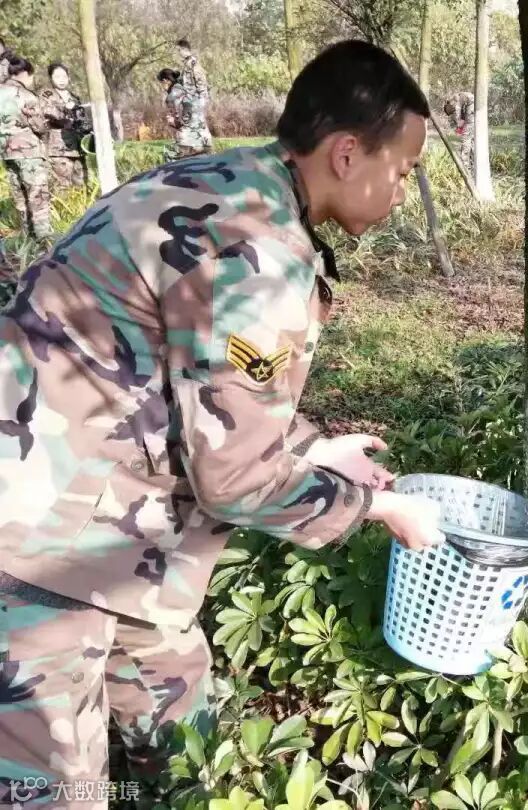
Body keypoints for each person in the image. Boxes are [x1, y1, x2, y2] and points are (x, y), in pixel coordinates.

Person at [0, 40, 445, 808]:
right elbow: (234, 480)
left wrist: (315, 446)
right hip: (37, 540)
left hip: (110, 516)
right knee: (56, 789)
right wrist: (377, 508)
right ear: (347, 154)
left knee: (180, 723)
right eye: (403, 171)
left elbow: (201, 384)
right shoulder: (258, 255)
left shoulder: (222, 183)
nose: (402, 193)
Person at [0, 56, 52, 241]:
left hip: (7, 153)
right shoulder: (26, 95)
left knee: (20, 197)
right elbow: (39, 126)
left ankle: (27, 240)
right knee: (37, 197)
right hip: (29, 153)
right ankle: (45, 240)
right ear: (25, 73)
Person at [39, 62, 90, 189]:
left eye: (64, 76)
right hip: (59, 148)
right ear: (51, 78)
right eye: (57, 77)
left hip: (77, 147)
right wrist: (65, 109)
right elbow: (48, 112)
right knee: (63, 187)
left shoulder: (74, 97)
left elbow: (82, 117)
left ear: (68, 77)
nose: (61, 80)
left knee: (82, 184)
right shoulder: (46, 95)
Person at [158, 66, 209, 159]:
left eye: (161, 83)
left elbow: (180, 120)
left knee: (171, 158)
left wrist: (171, 121)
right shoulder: (186, 90)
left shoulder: (172, 97)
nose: (161, 86)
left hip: (188, 137)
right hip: (203, 135)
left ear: (165, 81)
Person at [177, 38, 212, 150]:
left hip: (196, 99)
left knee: (199, 122)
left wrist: (202, 99)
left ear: (184, 49)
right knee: (191, 123)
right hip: (189, 99)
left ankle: (206, 147)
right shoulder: (186, 64)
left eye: (179, 50)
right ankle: (190, 146)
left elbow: (201, 81)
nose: (178, 53)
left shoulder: (193, 63)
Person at [443, 90, 475, 174]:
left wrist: (459, 130)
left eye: (450, 112)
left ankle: (465, 166)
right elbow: (462, 116)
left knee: (465, 138)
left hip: (471, 106)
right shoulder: (457, 99)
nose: (452, 113)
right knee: (472, 139)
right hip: (473, 107)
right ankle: (472, 163)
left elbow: (459, 118)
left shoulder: (455, 102)